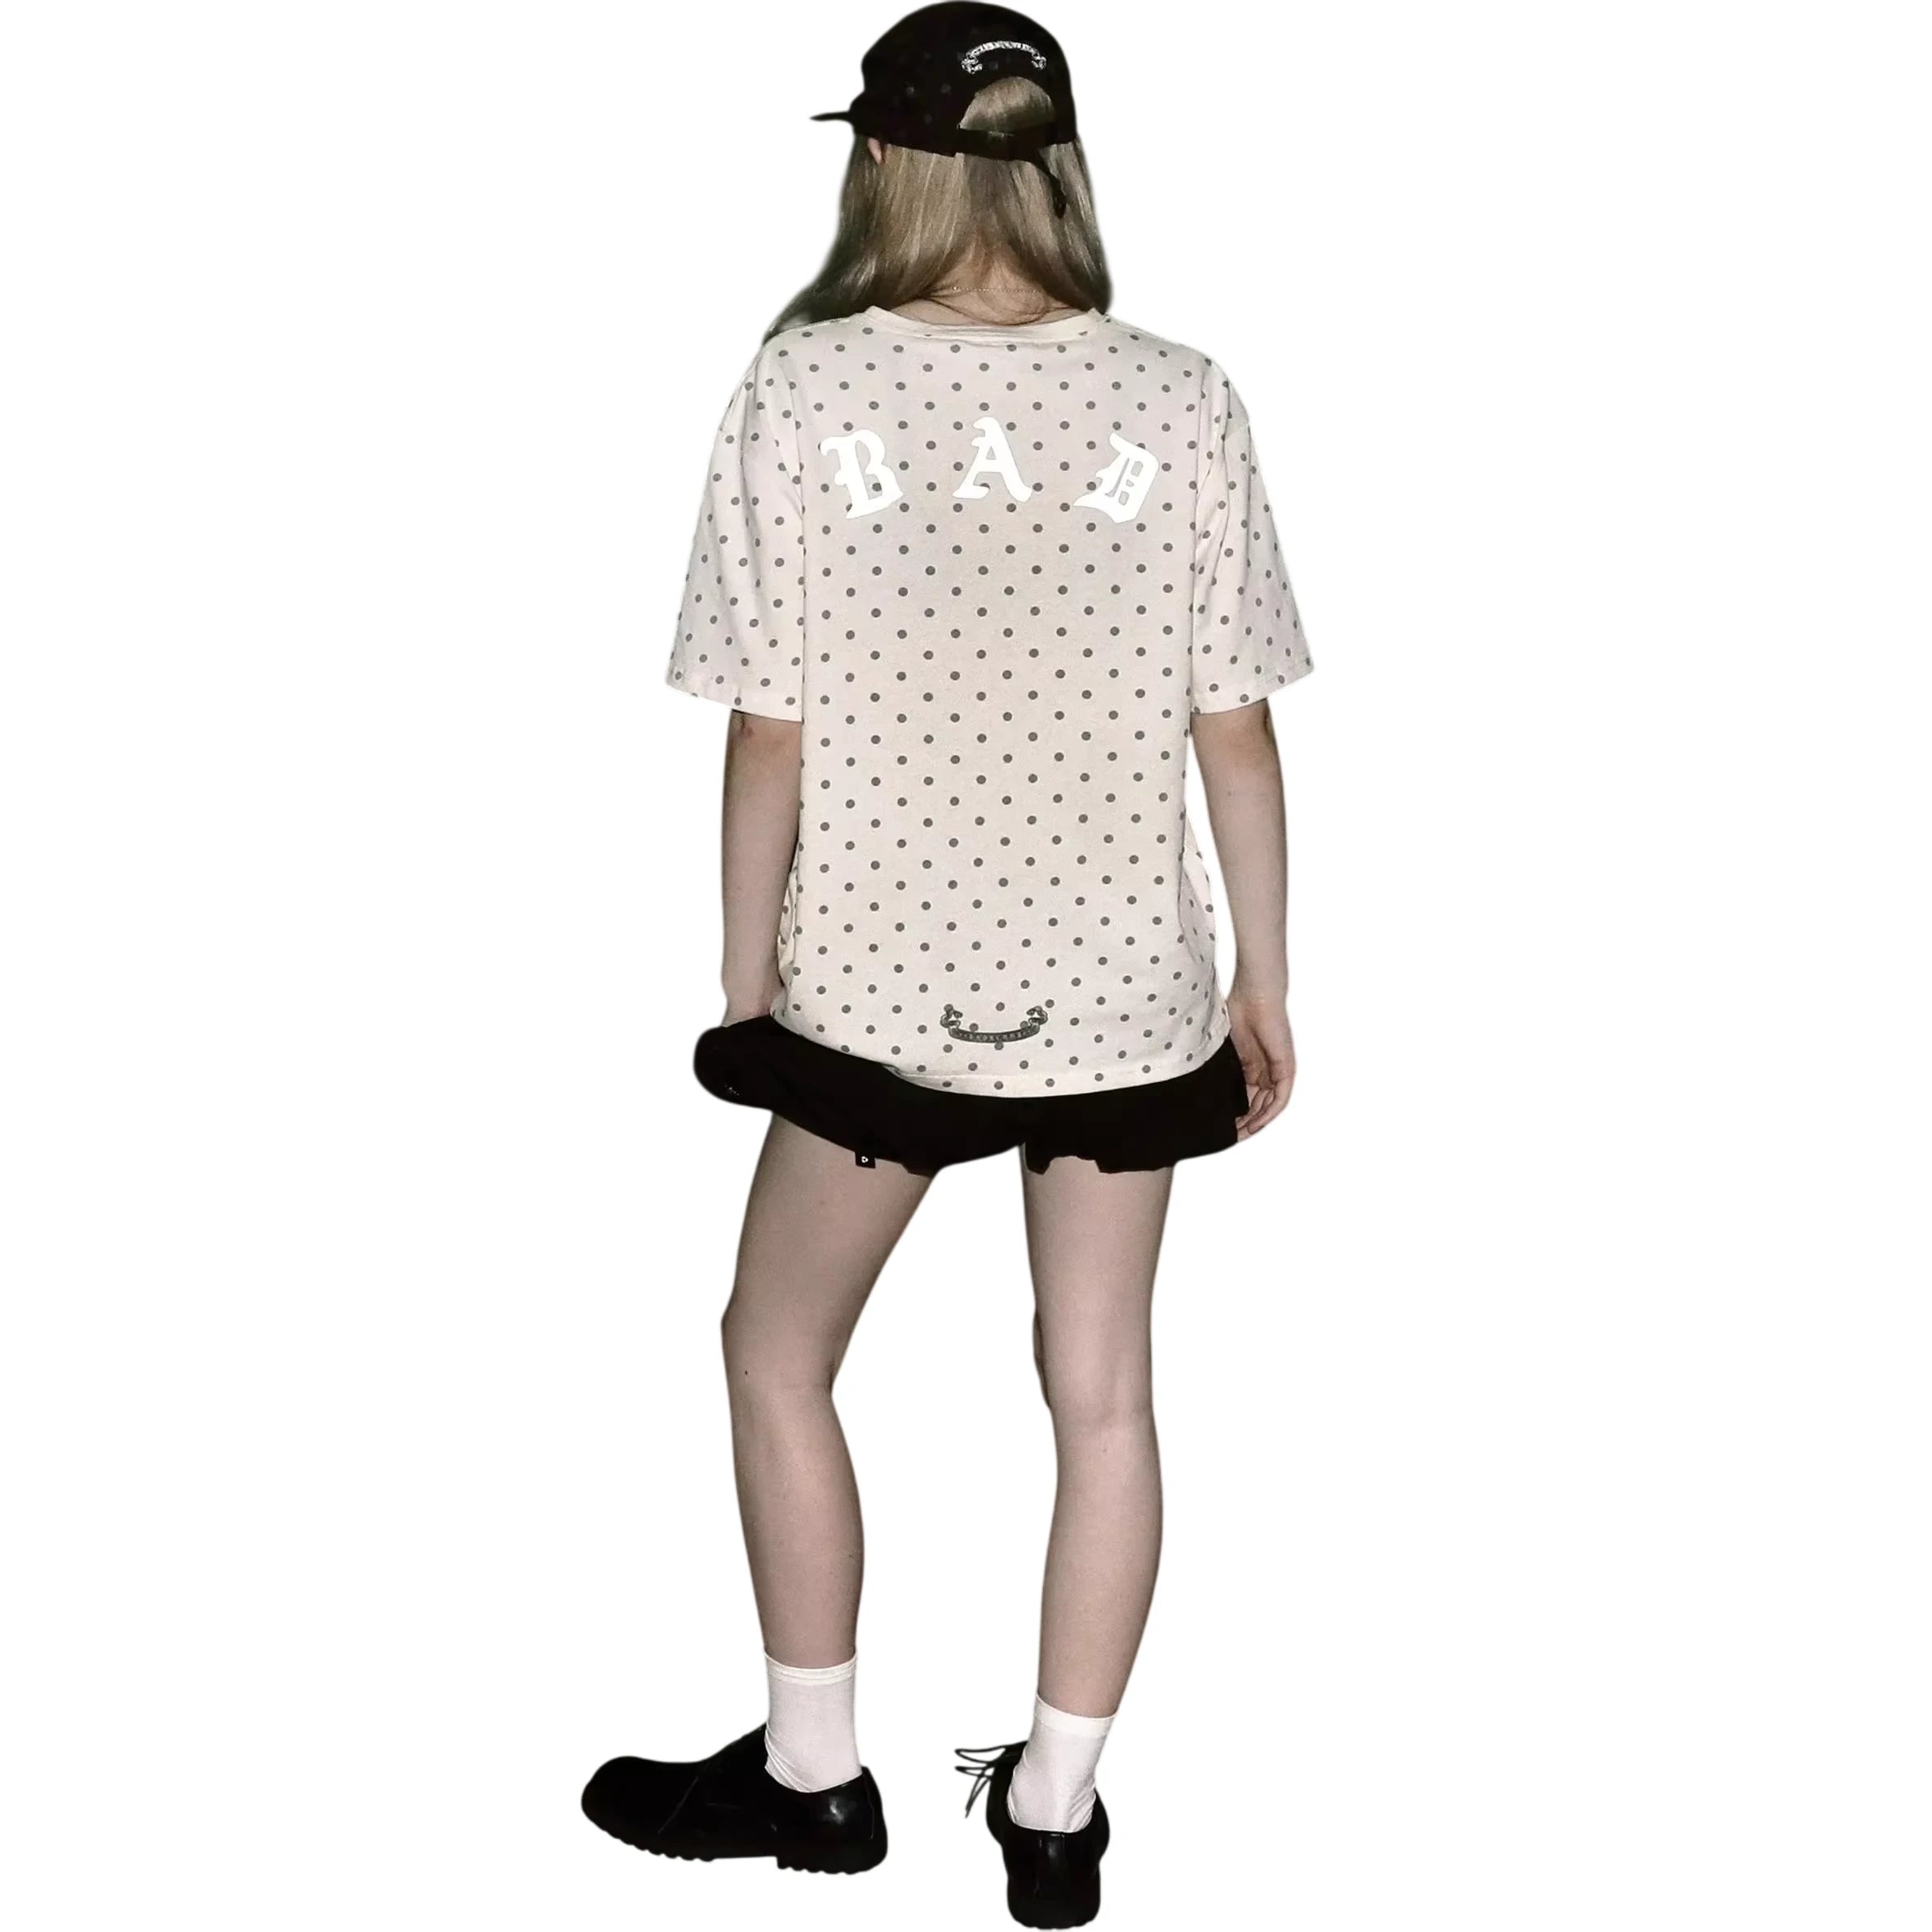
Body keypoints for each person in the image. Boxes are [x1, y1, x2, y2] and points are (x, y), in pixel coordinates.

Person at [581, 6, 1313, 1924]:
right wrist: (1263, 978)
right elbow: (1235, 726)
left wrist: (744, 990)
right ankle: (1057, 1815)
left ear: (882, 159)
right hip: (1126, 987)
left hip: (877, 997)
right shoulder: (1185, 399)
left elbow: (767, 731)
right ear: (1056, 161)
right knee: (1104, 1392)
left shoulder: (802, 388)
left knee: (773, 1348)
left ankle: (815, 1778)